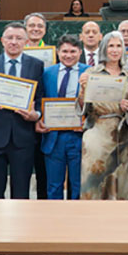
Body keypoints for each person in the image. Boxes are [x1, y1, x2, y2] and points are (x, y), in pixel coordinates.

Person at [0, 22, 44, 199]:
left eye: (19, 38)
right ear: (2, 40)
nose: (14, 42)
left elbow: (40, 99)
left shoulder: (36, 65)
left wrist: (36, 115)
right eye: (10, 38)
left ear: (26, 42)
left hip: (23, 138)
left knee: (21, 194)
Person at [78, 30, 128, 200]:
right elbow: (82, 107)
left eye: (119, 46)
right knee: (94, 185)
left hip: (124, 137)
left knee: (125, 186)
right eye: (111, 46)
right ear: (104, 48)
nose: (115, 50)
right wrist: (82, 89)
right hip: (98, 134)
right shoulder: (91, 74)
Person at [38, 35, 88, 200]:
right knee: (54, 186)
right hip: (53, 137)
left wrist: (87, 122)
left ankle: (78, 215)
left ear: (80, 52)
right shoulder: (47, 73)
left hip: (79, 136)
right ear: (58, 52)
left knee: (78, 185)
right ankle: (54, 215)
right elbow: (40, 99)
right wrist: (39, 118)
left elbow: (95, 104)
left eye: (73, 51)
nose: (68, 55)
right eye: (64, 51)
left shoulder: (89, 72)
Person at [23, 12, 51, 198]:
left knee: (43, 169)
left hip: (44, 116)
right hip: (20, 117)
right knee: (22, 169)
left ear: (45, 30)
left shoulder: (53, 54)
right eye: (32, 26)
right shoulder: (15, 51)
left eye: (40, 26)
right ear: (25, 29)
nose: (36, 29)